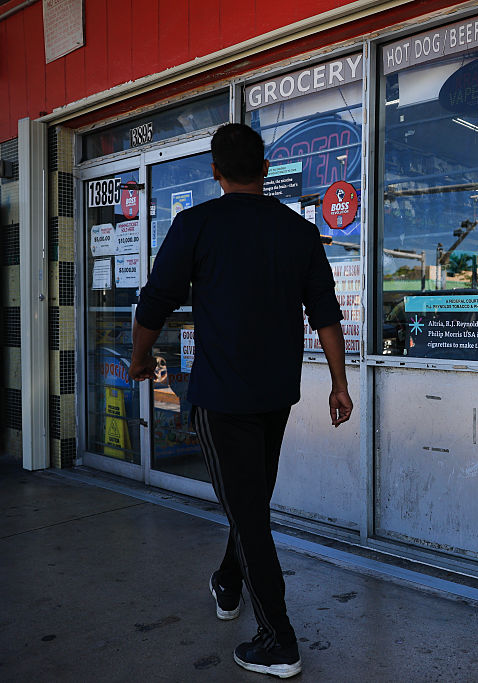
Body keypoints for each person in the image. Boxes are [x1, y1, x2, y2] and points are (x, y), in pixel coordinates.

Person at [128, 123, 353, 679]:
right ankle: (229, 582)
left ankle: (279, 639)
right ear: (264, 170)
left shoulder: (196, 224)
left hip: (222, 400)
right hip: (275, 396)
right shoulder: (299, 231)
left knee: (247, 512)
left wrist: (138, 358)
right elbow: (325, 312)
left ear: (215, 172)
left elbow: (155, 301)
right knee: (248, 502)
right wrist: (339, 382)